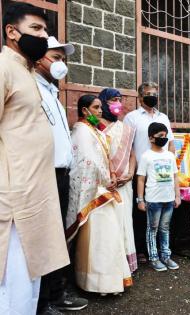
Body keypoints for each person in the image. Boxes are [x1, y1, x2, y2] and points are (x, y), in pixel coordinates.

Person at [0, 3, 69, 314]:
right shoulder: (3, 67)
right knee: (12, 286)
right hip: (13, 197)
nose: (44, 36)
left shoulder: (25, 71)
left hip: (36, 192)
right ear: (12, 32)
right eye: (37, 29)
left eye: (46, 30)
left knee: (30, 284)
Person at [35, 36, 88, 314]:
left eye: (62, 59)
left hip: (61, 175)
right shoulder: (32, 89)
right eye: (55, 58)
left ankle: (55, 293)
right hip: (43, 174)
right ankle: (43, 302)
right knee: (44, 240)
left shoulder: (52, 91)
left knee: (57, 237)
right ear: (38, 58)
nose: (60, 64)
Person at [66, 95, 132, 295]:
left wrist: (111, 175)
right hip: (95, 195)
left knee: (110, 239)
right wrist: (107, 180)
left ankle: (111, 283)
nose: (100, 111)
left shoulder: (96, 131)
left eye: (100, 107)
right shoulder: (81, 131)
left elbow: (105, 159)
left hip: (104, 192)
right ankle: (96, 284)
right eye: (95, 108)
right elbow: (88, 163)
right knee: (98, 241)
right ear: (84, 110)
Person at [123, 82, 175, 262]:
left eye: (154, 93)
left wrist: (172, 164)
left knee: (162, 211)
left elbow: (171, 143)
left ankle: (163, 249)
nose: (152, 96)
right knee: (141, 211)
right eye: (148, 93)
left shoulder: (164, 117)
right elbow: (127, 146)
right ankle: (140, 250)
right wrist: (131, 170)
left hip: (162, 173)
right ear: (140, 97)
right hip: (141, 173)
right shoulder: (132, 117)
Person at [99, 88, 138, 273]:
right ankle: (109, 270)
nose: (118, 104)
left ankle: (125, 267)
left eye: (119, 100)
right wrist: (111, 177)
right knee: (107, 227)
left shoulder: (125, 128)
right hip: (106, 185)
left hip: (124, 183)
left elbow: (131, 154)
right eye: (113, 99)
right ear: (103, 102)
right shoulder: (94, 124)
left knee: (124, 223)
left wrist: (130, 173)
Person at [137, 122, 181, 271]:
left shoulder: (170, 155)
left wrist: (177, 196)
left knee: (165, 228)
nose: (164, 138)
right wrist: (140, 199)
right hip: (153, 200)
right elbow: (141, 179)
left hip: (168, 199)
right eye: (160, 136)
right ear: (151, 138)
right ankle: (154, 258)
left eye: (165, 135)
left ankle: (166, 256)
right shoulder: (146, 156)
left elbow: (175, 177)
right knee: (152, 228)